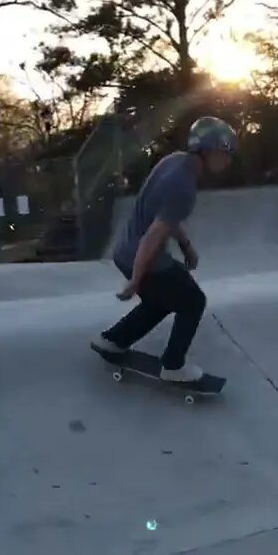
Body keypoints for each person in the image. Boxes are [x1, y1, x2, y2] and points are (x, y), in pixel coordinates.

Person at [89, 116, 238, 382]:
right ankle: (173, 366)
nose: (228, 161)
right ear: (211, 150)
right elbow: (153, 236)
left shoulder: (173, 161)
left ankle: (113, 340)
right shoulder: (184, 187)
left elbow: (165, 217)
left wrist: (185, 245)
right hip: (143, 255)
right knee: (193, 301)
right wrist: (135, 281)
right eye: (226, 154)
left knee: (163, 300)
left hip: (123, 250)